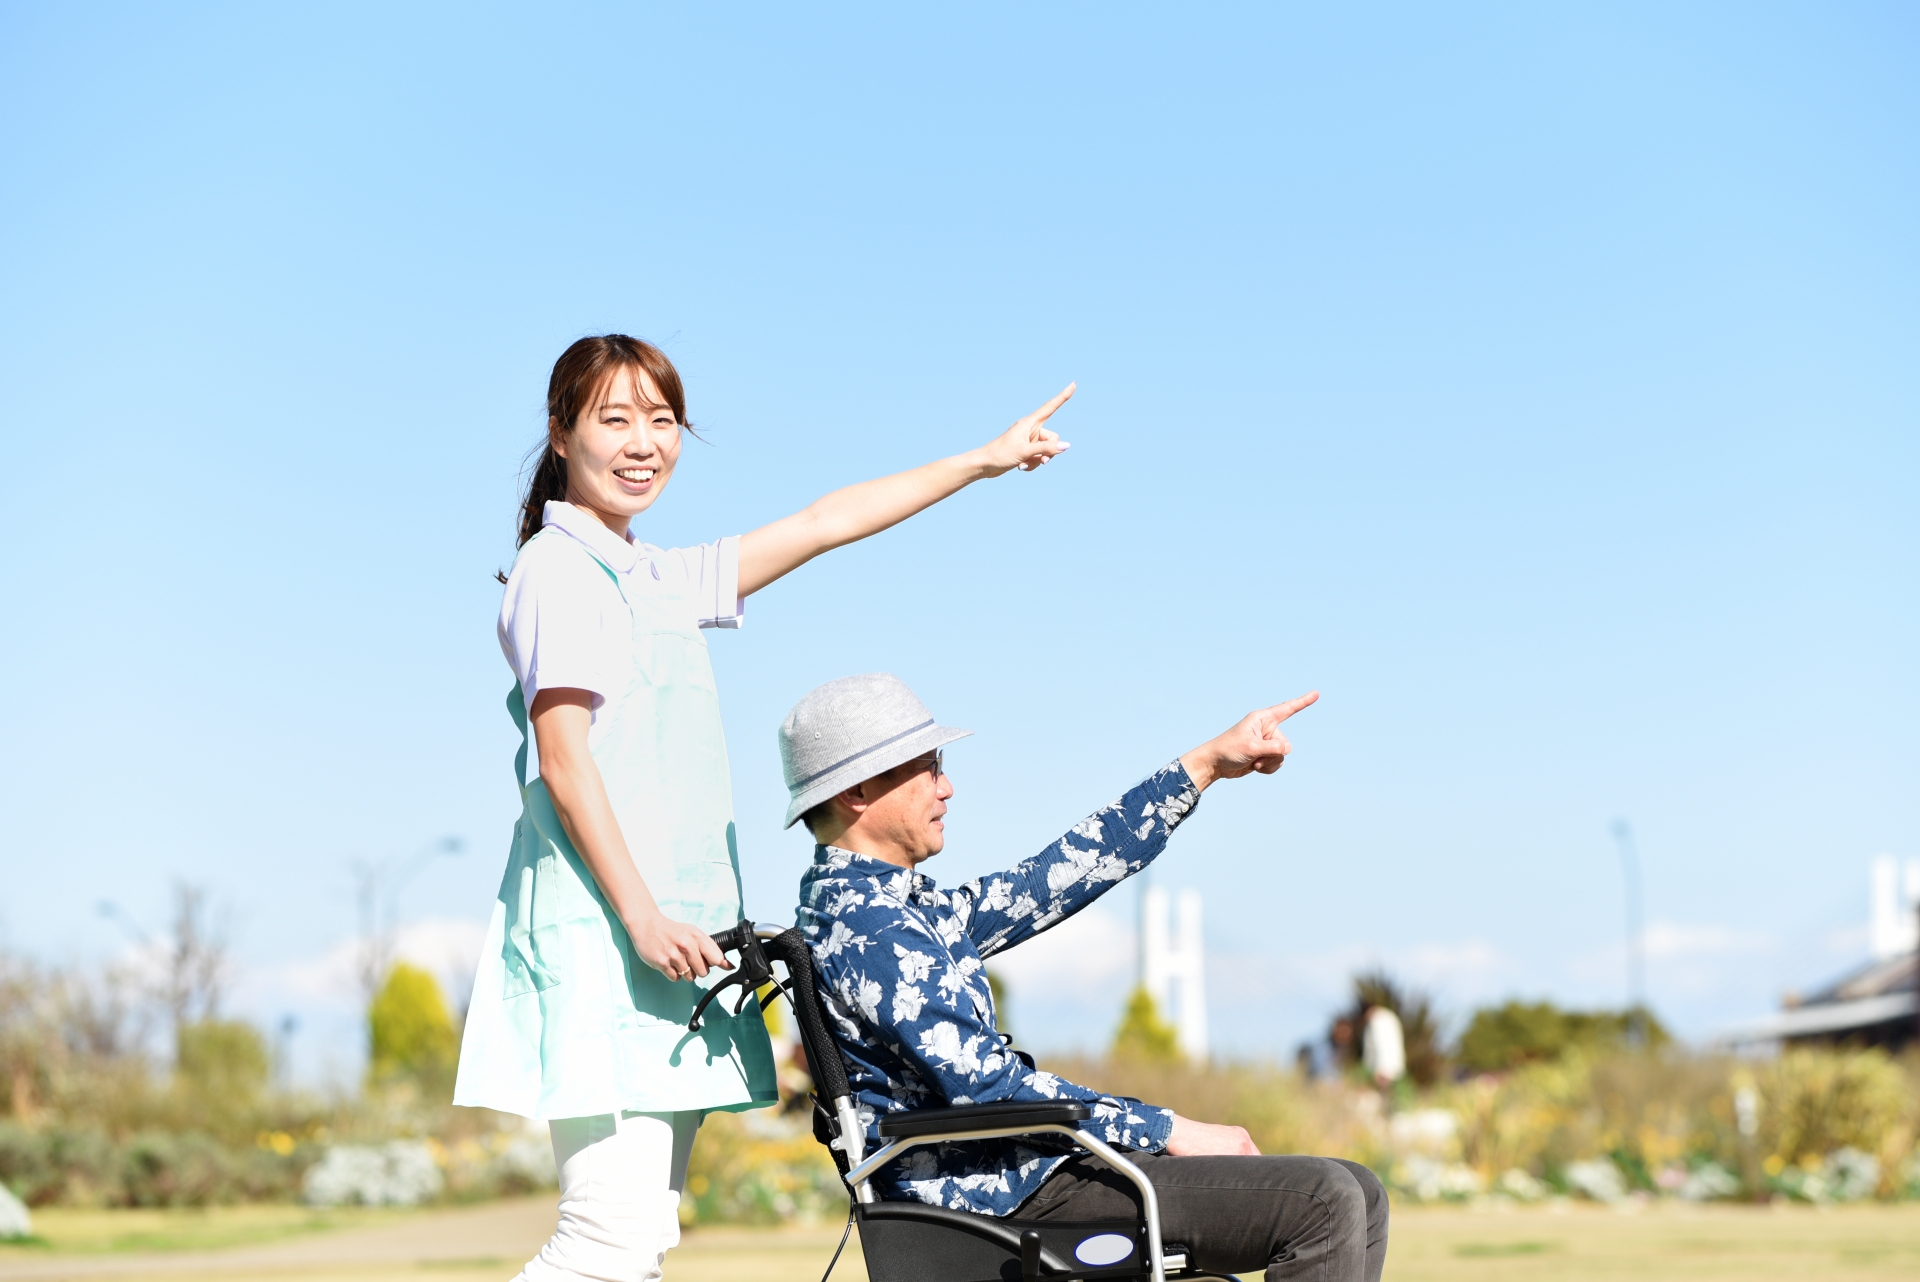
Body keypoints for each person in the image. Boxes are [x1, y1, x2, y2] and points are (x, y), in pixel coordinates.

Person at [453, 335, 1076, 1282]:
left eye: (661, 421)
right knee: (604, 1240)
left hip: (672, 951)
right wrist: (641, 912)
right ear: (560, 433)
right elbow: (564, 758)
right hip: (609, 941)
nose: (642, 442)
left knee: (638, 1241)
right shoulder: (559, 568)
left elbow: (826, 521)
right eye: (614, 418)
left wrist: (981, 462)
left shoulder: (653, 575)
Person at [786, 675, 1388, 1282]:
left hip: (1028, 1177)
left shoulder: (898, 906)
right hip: (1000, 1203)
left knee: (1359, 1191)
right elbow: (989, 1090)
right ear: (859, 790)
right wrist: (1170, 1130)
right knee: (1325, 1201)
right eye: (927, 767)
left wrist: (1203, 764)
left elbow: (1056, 877)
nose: (947, 786)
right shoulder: (869, 926)